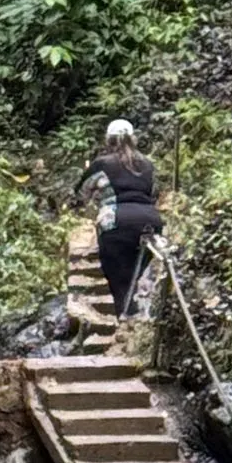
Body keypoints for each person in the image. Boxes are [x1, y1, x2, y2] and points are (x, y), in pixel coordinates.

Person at [78, 118, 163, 317]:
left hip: (116, 222)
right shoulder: (149, 164)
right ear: (133, 139)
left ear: (109, 141)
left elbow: (81, 193)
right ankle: (140, 320)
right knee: (140, 276)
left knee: (119, 278)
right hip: (150, 221)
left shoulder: (102, 164)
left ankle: (125, 322)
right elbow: (155, 192)